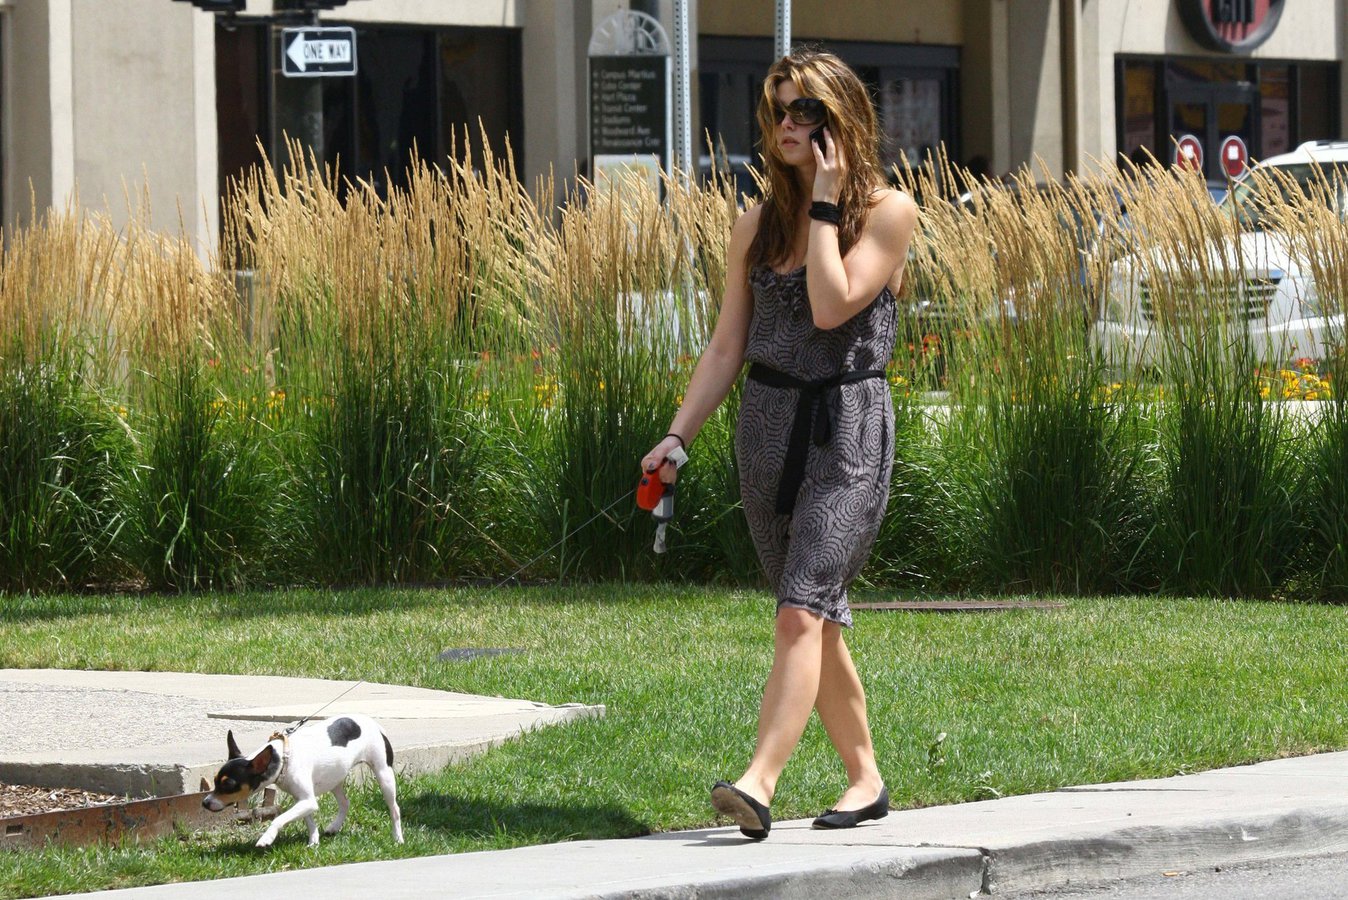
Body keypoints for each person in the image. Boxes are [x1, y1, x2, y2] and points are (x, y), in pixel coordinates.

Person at [638, 46, 918, 840]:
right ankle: (865, 779)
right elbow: (729, 345)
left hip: (848, 430)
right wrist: (676, 436)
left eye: (806, 111)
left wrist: (827, 206)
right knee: (815, 618)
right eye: (779, 111)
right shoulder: (754, 227)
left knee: (799, 613)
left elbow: (832, 309)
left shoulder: (888, 213)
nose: (787, 124)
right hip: (766, 428)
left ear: (842, 121)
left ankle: (757, 785)